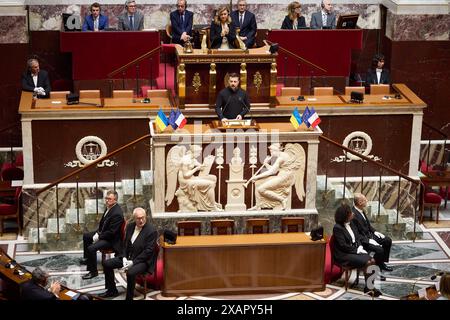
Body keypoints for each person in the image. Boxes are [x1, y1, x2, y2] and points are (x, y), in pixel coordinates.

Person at [101, 207, 158, 300]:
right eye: (138, 218)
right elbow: (125, 244)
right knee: (106, 264)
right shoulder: (130, 226)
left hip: (142, 261)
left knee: (131, 273)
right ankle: (112, 290)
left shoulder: (151, 231)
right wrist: (123, 257)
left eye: (143, 217)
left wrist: (133, 262)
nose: (141, 220)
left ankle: (129, 298)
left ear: (146, 217)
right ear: (134, 218)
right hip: (127, 258)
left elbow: (148, 252)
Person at [332, 204, 382, 297]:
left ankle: (370, 286)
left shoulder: (352, 224)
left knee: (373, 261)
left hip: (353, 251)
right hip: (343, 254)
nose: (353, 214)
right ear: (345, 215)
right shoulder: (337, 228)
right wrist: (357, 250)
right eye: (350, 213)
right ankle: (369, 288)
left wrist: (360, 247)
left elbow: (357, 238)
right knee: (368, 262)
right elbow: (343, 246)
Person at [80, 190, 124, 280]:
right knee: (86, 236)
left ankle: (93, 272)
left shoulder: (117, 213)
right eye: (106, 198)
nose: (107, 200)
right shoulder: (109, 207)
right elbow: (103, 224)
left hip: (111, 240)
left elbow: (112, 233)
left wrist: (99, 236)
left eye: (109, 199)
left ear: (115, 200)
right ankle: (88, 259)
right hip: (104, 234)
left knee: (91, 248)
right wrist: (97, 232)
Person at [247, 143, 305, 210]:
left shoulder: (281, 158)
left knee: (261, 189)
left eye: (271, 151)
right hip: (282, 176)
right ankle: (258, 206)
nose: (271, 153)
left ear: (276, 150)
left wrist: (256, 177)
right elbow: (275, 170)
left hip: (283, 179)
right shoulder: (284, 155)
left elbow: (271, 172)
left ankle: (282, 200)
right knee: (257, 183)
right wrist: (266, 164)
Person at [351, 193, 393, 272]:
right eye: (364, 200)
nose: (367, 201)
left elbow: (368, 225)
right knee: (380, 250)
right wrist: (369, 240)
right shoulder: (353, 215)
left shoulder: (361, 210)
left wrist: (375, 232)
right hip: (363, 240)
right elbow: (356, 235)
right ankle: (376, 264)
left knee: (388, 240)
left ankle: (380, 262)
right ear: (360, 202)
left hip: (370, 235)